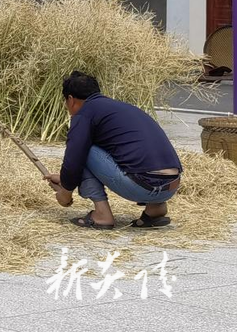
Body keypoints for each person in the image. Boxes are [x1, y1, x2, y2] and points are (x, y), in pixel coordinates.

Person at [44, 71, 182, 229]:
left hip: (143, 186)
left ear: (70, 99)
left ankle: (102, 215)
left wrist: (65, 193)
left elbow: (74, 159)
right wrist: (65, 178)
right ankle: (156, 209)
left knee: (85, 150)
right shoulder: (119, 108)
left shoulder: (84, 114)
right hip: (171, 186)